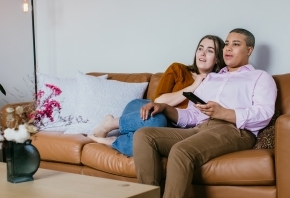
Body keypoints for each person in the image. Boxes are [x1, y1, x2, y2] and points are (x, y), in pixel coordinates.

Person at [130, 28, 277, 198]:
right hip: (201, 128)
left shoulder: (260, 78)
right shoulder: (211, 78)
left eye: (236, 44)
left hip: (235, 130)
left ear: (249, 50)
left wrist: (224, 113)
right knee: (144, 135)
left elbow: (264, 114)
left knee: (181, 151)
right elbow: (190, 116)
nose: (228, 48)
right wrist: (165, 109)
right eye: (227, 43)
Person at [88, 35, 226, 156]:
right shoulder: (178, 69)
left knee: (147, 144)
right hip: (145, 110)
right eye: (200, 48)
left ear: (217, 59)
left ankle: (113, 141)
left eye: (210, 51)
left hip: (171, 128)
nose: (202, 53)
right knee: (158, 120)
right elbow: (158, 101)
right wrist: (193, 86)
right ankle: (110, 124)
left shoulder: (218, 84)